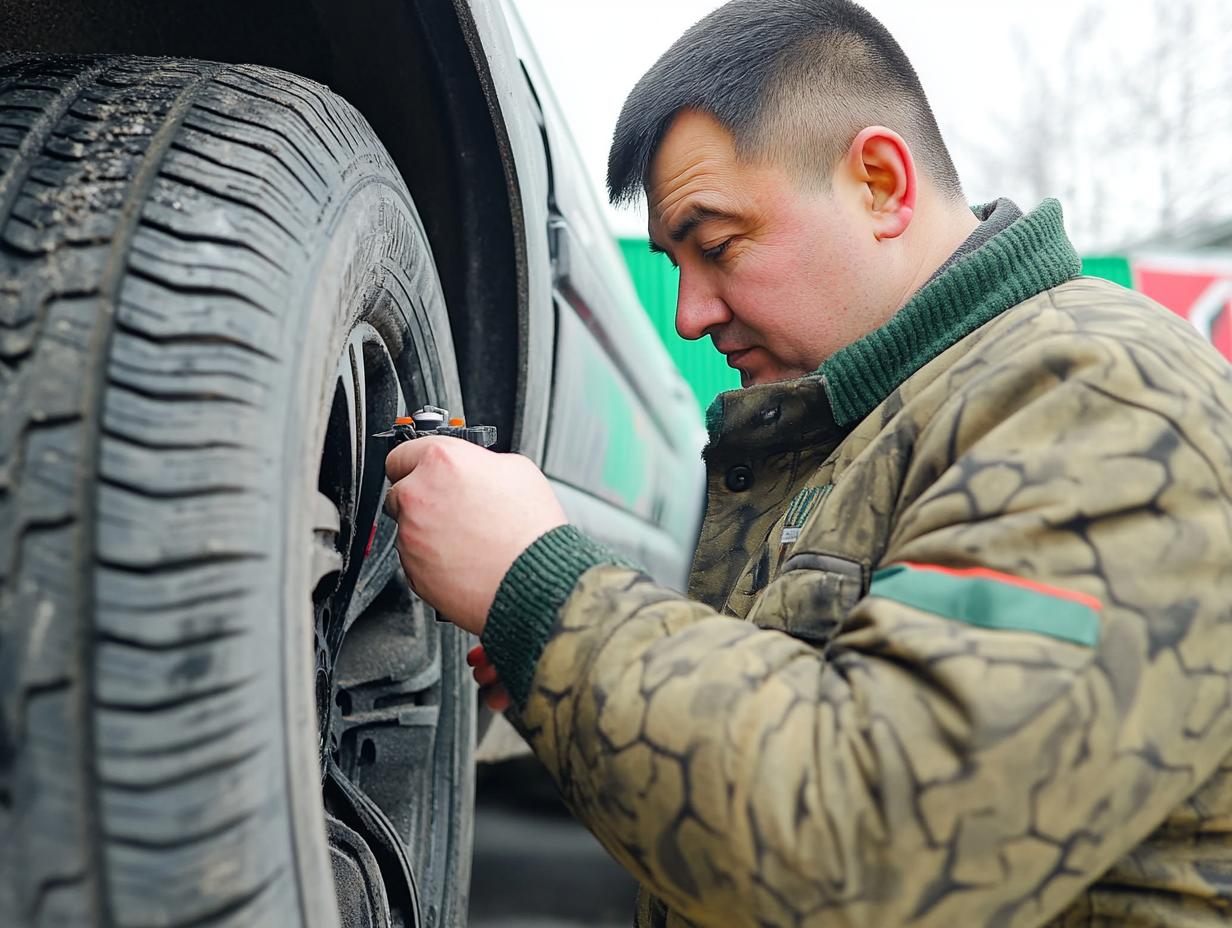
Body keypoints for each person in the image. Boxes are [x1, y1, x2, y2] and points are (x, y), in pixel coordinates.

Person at [383, 0, 1232, 924]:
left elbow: (877, 846)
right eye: (674, 265)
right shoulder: (880, 421)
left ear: (878, 182)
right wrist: (570, 676)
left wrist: (546, 593)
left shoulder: (1098, 395)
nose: (689, 316)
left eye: (716, 246)